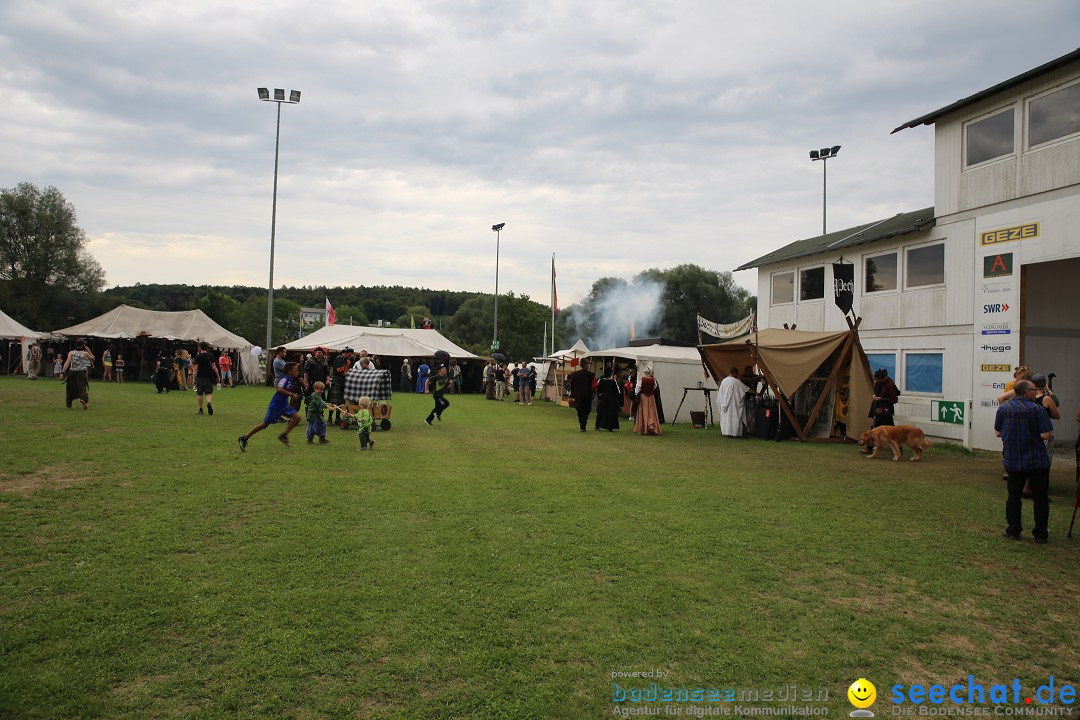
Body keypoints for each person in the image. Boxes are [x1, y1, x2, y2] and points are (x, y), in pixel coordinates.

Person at [995, 380, 1053, 543]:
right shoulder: (1037, 409)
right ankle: (1040, 534)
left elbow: (997, 432)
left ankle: (1013, 530)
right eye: (1034, 390)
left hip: (1014, 460)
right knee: (1040, 498)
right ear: (1027, 392)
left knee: (1014, 496)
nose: (1036, 392)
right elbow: (1046, 435)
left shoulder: (1004, 408)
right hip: (1037, 461)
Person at [238, 362, 302, 451]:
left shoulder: (291, 380)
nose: (297, 372)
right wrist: (291, 394)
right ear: (289, 371)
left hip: (284, 405)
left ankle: (284, 435)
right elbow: (279, 389)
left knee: (297, 418)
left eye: (297, 370)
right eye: (295, 370)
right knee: (264, 425)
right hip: (275, 406)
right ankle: (244, 438)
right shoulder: (285, 379)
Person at [863, 368, 900, 454]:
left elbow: (894, 399)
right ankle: (870, 447)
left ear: (884, 377)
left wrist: (881, 399)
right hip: (878, 408)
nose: (878, 380)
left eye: (879, 379)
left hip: (886, 410)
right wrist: (875, 396)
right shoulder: (879, 383)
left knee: (891, 430)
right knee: (874, 429)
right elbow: (877, 393)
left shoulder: (890, 384)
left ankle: (898, 448)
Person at [61, 339, 95, 410]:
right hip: (81, 372)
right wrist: (88, 350)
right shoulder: (85, 353)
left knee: (70, 389)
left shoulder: (71, 353)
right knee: (82, 388)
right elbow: (93, 359)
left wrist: (63, 372)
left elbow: (67, 363)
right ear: (83, 346)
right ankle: (83, 399)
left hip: (72, 372)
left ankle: (68, 404)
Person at [717, 367, 750, 437]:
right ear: (734, 373)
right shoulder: (735, 381)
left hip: (726, 403)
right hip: (734, 404)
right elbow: (746, 389)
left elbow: (721, 393)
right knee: (734, 418)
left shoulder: (724, 381)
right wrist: (757, 393)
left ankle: (727, 432)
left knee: (727, 419)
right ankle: (734, 433)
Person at [193, 341, 221, 415]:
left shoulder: (198, 357)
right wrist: (218, 376)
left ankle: (201, 409)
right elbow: (214, 367)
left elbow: (196, 368)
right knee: (208, 392)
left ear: (200, 348)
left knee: (199, 393)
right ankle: (208, 402)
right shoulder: (210, 356)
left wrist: (193, 378)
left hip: (200, 377)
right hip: (208, 377)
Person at [568, 360, 596, 432]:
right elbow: (594, 386)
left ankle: (582, 426)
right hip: (587, 396)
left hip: (578, 396)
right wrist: (593, 393)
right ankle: (583, 426)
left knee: (580, 411)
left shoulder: (574, 374)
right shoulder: (591, 375)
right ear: (586, 366)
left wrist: (572, 394)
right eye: (588, 365)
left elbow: (571, 386)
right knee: (586, 411)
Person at [328, 347, 353, 426]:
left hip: (343, 382)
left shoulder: (347, 361)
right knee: (334, 401)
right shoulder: (340, 358)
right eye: (348, 355)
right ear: (344, 353)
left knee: (341, 401)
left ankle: (337, 419)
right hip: (337, 381)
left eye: (350, 355)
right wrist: (348, 377)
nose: (349, 356)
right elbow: (340, 370)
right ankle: (329, 418)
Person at [634, 367, 662, 436]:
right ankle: (651, 426)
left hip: (643, 397)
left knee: (644, 412)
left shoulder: (642, 380)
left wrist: (637, 395)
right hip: (651, 397)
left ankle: (643, 428)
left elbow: (637, 389)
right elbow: (655, 387)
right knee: (651, 412)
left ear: (645, 373)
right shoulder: (653, 380)